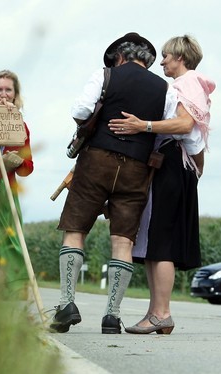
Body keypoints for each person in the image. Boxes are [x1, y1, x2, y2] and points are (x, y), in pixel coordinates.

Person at [50, 33, 178, 334]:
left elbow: (80, 111)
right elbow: (169, 128)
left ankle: (67, 303)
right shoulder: (165, 88)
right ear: (146, 60)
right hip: (136, 166)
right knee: (123, 240)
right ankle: (111, 316)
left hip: (96, 160)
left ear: (120, 57)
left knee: (75, 229)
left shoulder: (105, 75)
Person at [108, 35, 215, 334]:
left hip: (170, 162)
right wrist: (196, 167)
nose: (162, 60)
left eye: (166, 55)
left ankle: (161, 312)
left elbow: (184, 125)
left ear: (180, 57)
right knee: (156, 242)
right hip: (176, 164)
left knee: (160, 241)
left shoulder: (187, 83)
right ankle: (156, 312)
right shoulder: (189, 85)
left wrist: (142, 125)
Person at [0, 70, 34, 298]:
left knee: (11, 241)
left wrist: (17, 161)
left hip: (6, 190)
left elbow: (27, 168)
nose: (3, 94)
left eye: (8, 90)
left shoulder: (20, 126)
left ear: (15, 95)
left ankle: (13, 292)